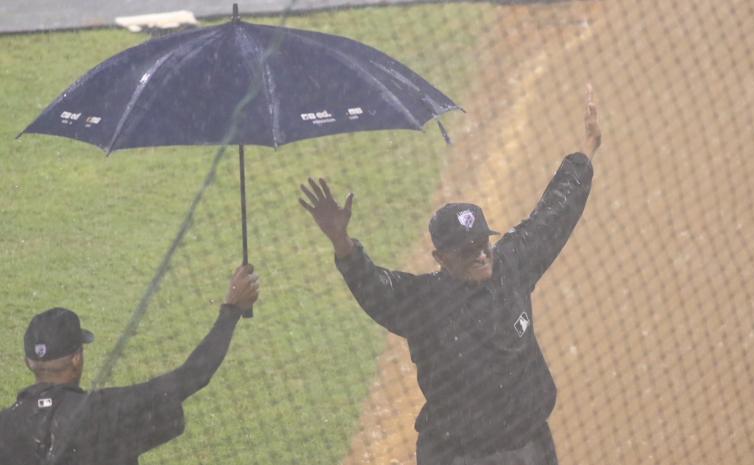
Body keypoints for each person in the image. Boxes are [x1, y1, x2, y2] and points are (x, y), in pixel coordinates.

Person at [298, 86, 601, 465]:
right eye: (466, 249)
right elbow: (374, 287)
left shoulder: (512, 264)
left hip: (528, 447)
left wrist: (586, 151)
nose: (480, 254)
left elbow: (554, 213)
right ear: (439, 257)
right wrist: (342, 241)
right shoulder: (423, 302)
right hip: (460, 456)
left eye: (482, 242)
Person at [0, 264, 260, 465]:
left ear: (28, 362)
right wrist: (231, 310)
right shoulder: (104, 412)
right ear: (77, 358)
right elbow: (193, 375)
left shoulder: (5, 424)